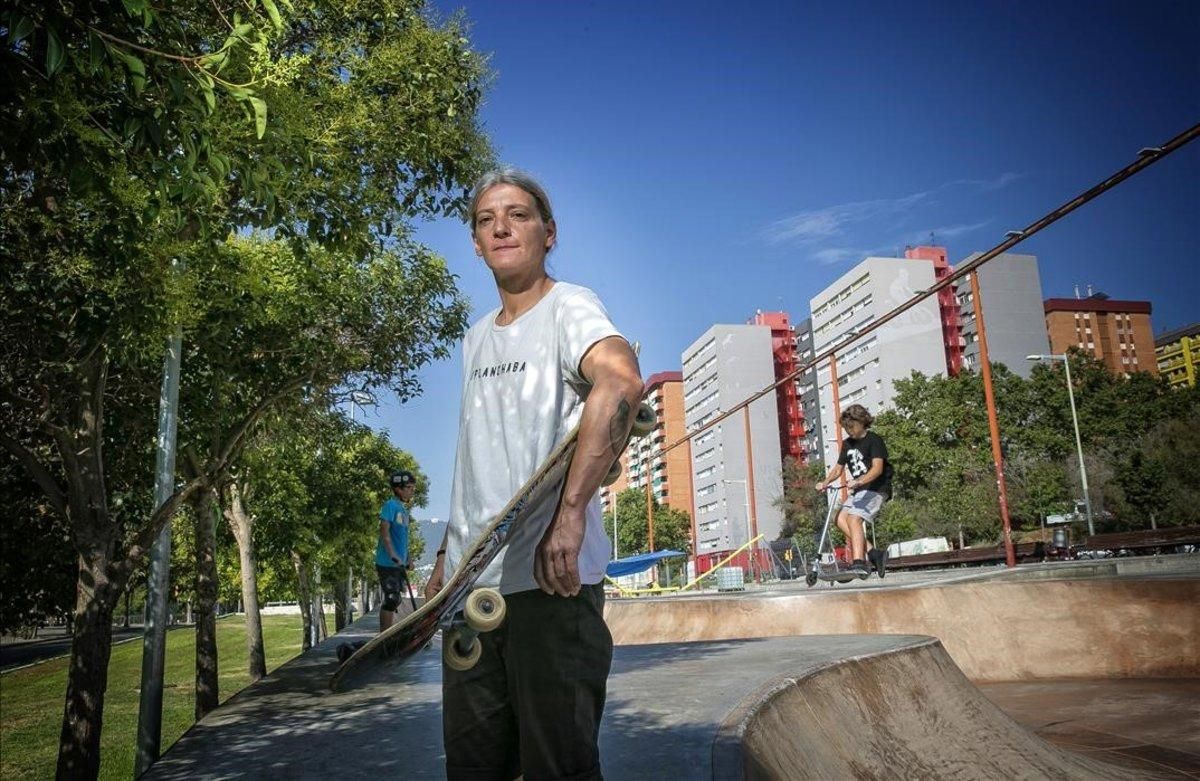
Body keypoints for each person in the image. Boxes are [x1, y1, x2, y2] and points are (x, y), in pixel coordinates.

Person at [425, 168, 644, 781]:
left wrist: (570, 513)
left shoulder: (569, 307)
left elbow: (621, 380)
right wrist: (449, 551)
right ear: (475, 243)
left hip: (550, 586)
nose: (501, 226)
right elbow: (477, 453)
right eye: (486, 219)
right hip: (472, 592)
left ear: (548, 233)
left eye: (518, 214)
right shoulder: (474, 339)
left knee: (558, 767)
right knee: (473, 766)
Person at [815, 404, 892, 578]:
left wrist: (859, 481)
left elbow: (877, 469)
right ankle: (874, 554)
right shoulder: (847, 444)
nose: (849, 431)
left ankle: (860, 563)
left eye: (851, 427)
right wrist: (825, 482)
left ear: (862, 422)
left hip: (876, 488)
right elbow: (838, 469)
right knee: (839, 518)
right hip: (860, 490)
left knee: (853, 518)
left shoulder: (874, 440)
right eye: (846, 428)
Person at [376, 470, 416, 632]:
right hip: (387, 561)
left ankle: (391, 632)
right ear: (398, 489)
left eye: (413, 487)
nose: (412, 490)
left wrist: (408, 558)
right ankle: (383, 637)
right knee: (392, 598)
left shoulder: (403, 510)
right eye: (409, 487)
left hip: (398, 562)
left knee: (397, 598)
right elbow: (384, 532)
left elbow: (403, 538)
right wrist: (392, 554)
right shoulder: (390, 506)